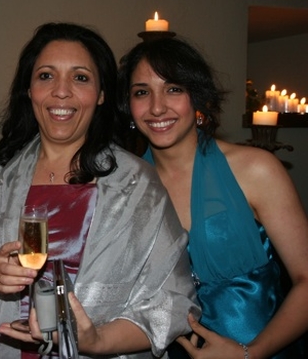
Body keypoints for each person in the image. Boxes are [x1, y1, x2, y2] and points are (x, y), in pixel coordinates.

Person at [0, 22, 199, 359]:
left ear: (102, 93)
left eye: (80, 78)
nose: (61, 92)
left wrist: (94, 340)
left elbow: (174, 302)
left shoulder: (138, 184)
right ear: (29, 89)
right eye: (46, 76)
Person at [117, 37, 308, 359]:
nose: (157, 106)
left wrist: (251, 353)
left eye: (174, 88)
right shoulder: (125, 189)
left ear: (198, 97)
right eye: (141, 92)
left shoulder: (255, 170)